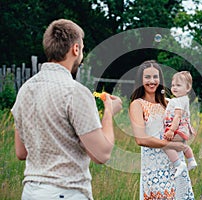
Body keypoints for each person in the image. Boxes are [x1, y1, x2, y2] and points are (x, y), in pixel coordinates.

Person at [11, 19, 122, 200]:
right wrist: (109, 112)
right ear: (75, 49)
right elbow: (101, 154)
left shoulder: (25, 90)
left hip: (31, 192)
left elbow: (21, 152)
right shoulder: (75, 92)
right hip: (66, 192)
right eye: (82, 49)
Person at [129, 60, 194, 200]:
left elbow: (182, 125)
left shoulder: (169, 103)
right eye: (147, 77)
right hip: (154, 169)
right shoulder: (137, 104)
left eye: (155, 77)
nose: (152, 81)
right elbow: (140, 139)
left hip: (176, 165)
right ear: (140, 79)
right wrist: (171, 145)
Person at [163, 71, 197, 178]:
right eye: (173, 85)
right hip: (184, 130)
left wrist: (171, 130)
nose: (174, 88)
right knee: (183, 145)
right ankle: (191, 160)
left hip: (177, 130)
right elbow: (173, 103)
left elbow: (177, 116)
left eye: (178, 85)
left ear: (187, 88)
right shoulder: (183, 100)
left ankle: (178, 164)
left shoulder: (178, 101)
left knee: (165, 144)